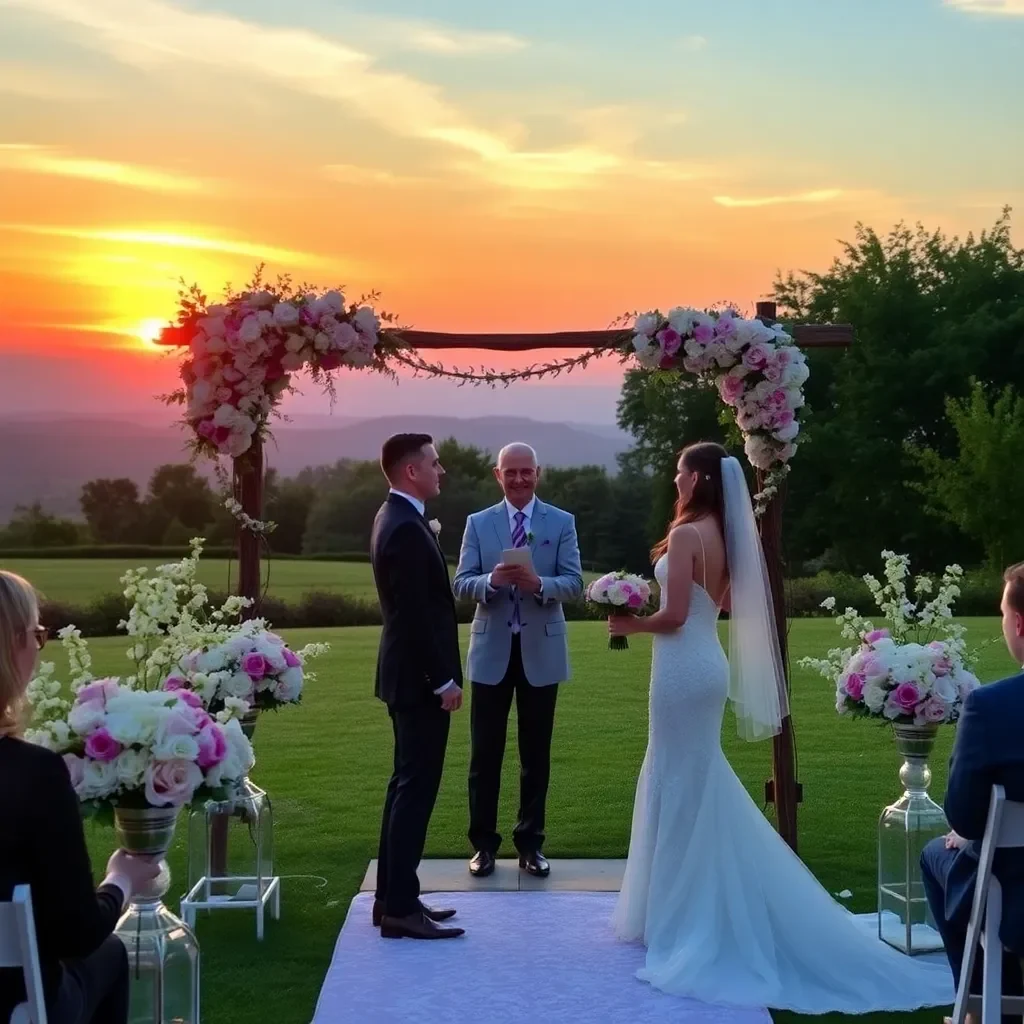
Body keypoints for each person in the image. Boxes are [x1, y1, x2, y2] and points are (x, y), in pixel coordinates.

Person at [608, 442, 953, 1012]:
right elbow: (723, 605)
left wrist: (628, 621)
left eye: (678, 474)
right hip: (701, 666)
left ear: (696, 479)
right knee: (689, 774)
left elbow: (671, 617)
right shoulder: (724, 534)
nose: (675, 482)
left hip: (681, 669)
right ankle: (678, 904)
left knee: (680, 775)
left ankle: (680, 912)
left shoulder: (691, 534)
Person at [0, 570, 159, 1024]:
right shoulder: (33, 774)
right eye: (36, 634)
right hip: (16, 1004)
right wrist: (121, 879)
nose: (38, 644)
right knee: (107, 954)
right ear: (13, 645)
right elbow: (78, 932)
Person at [453, 442, 583, 879]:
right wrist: (489, 580)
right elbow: (461, 582)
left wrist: (538, 583)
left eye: (527, 471)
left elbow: (574, 583)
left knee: (536, 755)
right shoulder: (478, 523)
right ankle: (483, 847)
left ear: (538, 473)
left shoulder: (560, 522)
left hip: (540, 654)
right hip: (491, 652)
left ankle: (530, 845)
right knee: (484, 756)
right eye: (511, 472)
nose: (520, 479)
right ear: (498, 475)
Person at [369, 433, 465, 939]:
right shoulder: (405, 526)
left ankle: (392, 898)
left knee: (403, 786)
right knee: (415, 790)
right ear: (412, 472)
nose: (440, 469)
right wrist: (442, 679)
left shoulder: (396, 516)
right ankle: (401, 908)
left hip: (404, 677)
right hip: (418, 680)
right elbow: (413, 616)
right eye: (433, 462)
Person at [920, 561, 1024, 1022]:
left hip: (1016, 892)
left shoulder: (992, 706)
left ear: (1019, 623)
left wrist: (975, 834)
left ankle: (983, 1006)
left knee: (938, 855)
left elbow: (963, 815)